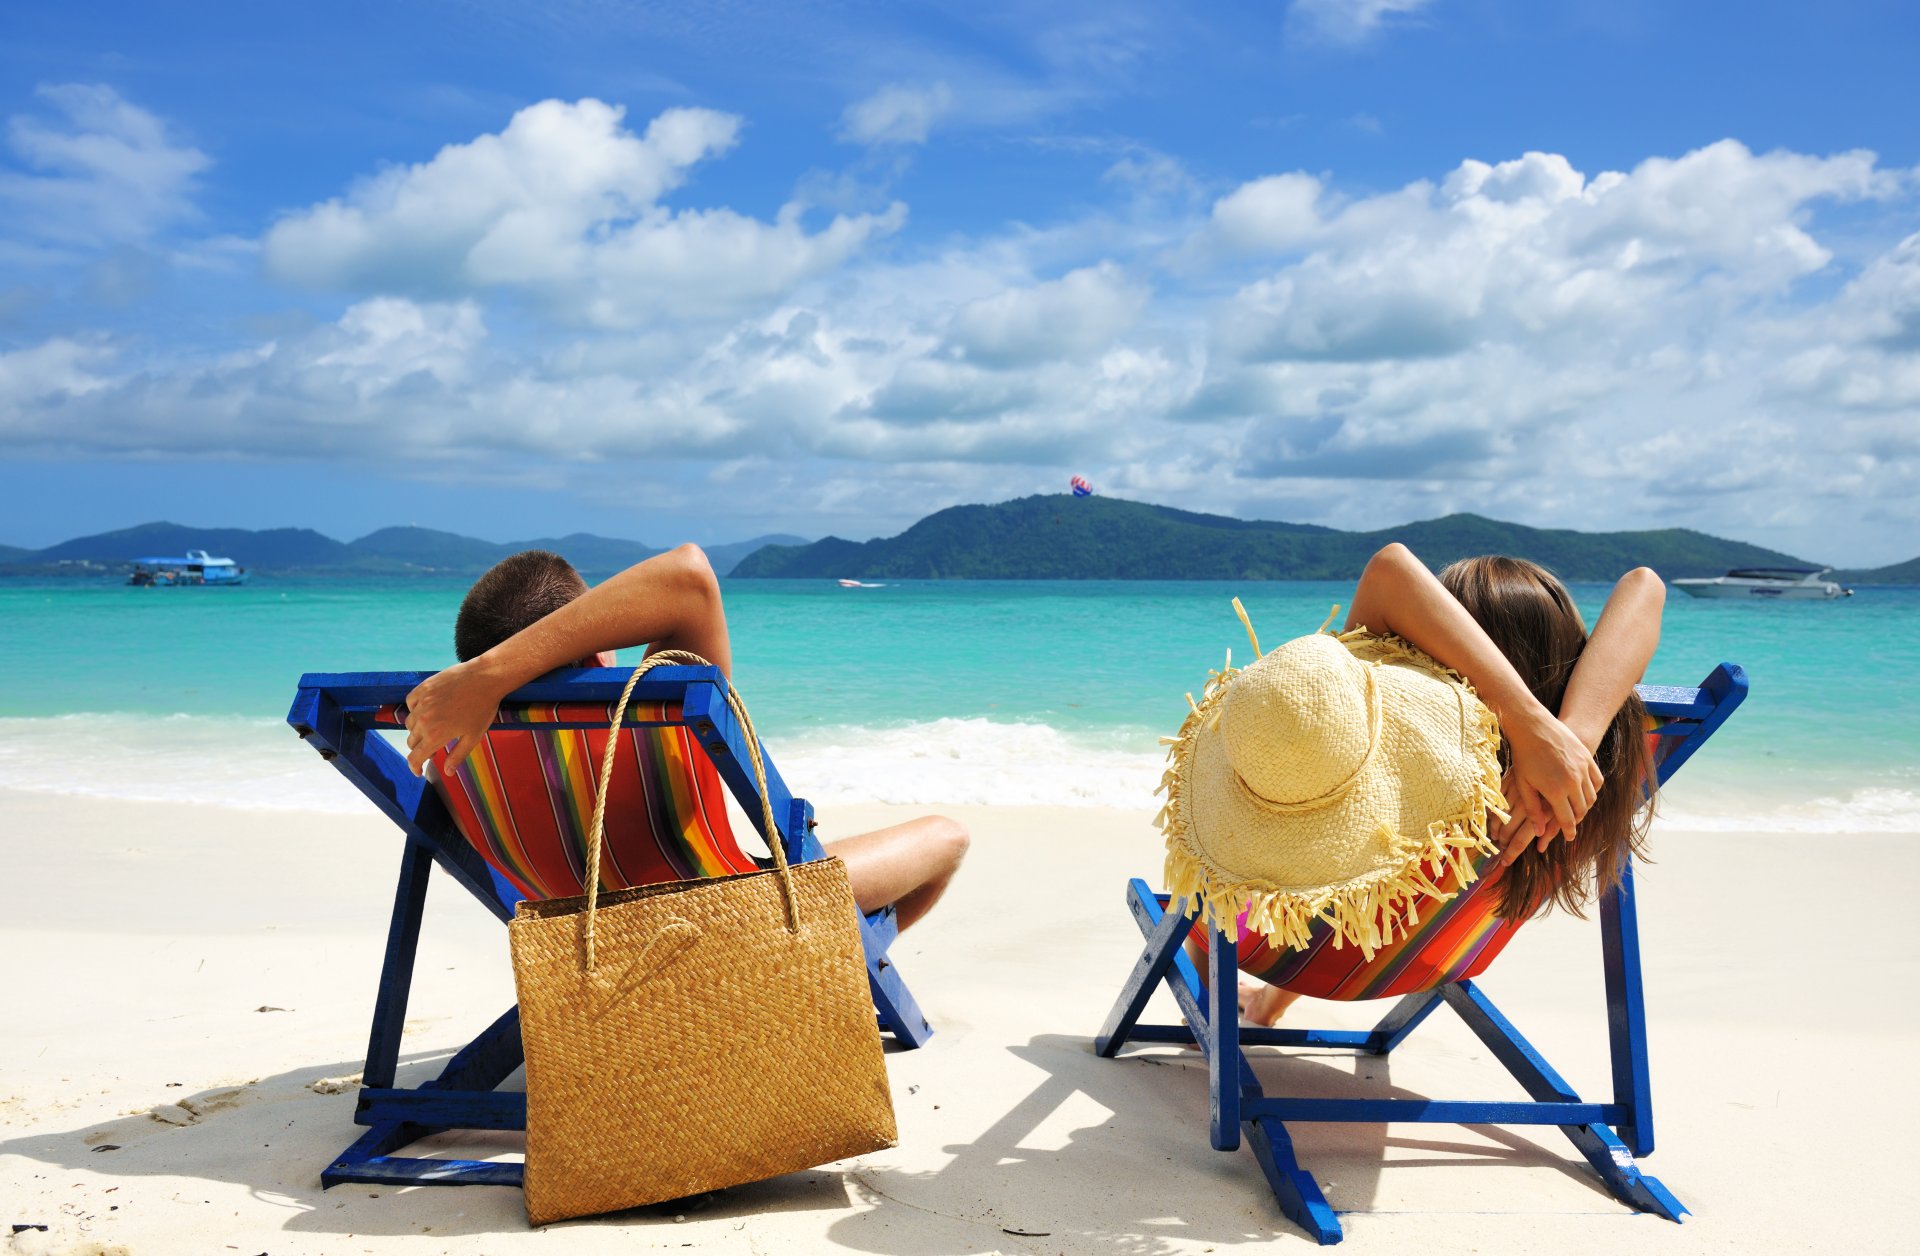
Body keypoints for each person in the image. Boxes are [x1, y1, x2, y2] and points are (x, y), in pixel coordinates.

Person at [1166, 543, 1665, 1026]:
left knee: (1246, 845)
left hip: (1302, 949)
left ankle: (1215, 1004)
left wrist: (1532, 724)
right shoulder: (1585, 773)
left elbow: (1389, 570)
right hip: (1436, 954)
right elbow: (1646, 585)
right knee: (1360, 870)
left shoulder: (1408, 755)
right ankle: (1269, 1007)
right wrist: (1573, 735)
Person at [401, 545, 969, 931]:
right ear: (601, 650)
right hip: (735, 918)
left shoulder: (446, 749)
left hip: (587, 941)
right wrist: (494, 674)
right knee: (948, 838)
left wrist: (485, 679)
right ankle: (814, 985)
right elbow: (689, 577)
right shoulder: (649, 714)